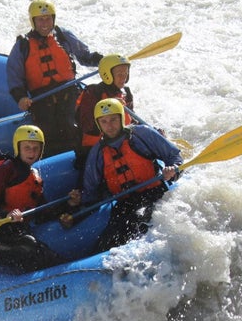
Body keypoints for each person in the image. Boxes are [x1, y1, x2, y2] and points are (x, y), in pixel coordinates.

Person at [64, 98, 182, 253]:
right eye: (104, 121)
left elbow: (175, 157)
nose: (109, 126)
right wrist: (79, 199)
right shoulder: (97, 152)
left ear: (121, 118)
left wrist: (172, 170)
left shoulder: (142, 134)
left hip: (153, 195)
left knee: (137, 220)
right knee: (109, 240)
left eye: (113, 120)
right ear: (99, 124)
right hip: (124, 204)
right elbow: (91, 191)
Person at [6, 0, 103, 156]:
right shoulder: (22, 46)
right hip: (42, 100)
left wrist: (102, 61)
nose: (45, 23)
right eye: (40, 19)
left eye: (48, 19)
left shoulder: (63, 36)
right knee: (49, 135)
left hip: (69, 93)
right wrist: (21, 97)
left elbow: (85, 56)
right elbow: (14, 75)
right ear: (33, 21)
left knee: (73, 128)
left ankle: (82, 158)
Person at [0, 125, 65, 272]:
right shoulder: (5, 169)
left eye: (36, 148)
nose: (32, 152)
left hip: (17, 232)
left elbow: (42, 211)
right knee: (29, 245)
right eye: (27, 147)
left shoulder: (33, 175)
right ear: (18, 148)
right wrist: (5, 215)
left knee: (33, 247)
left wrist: (68, 207)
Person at [74, 54, 135, 174]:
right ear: (107, 75)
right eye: (119, 74)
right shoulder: (92, 93)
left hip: (121, 144)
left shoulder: (126, 93)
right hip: (95, 148)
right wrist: (109, 106)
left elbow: (132, 123)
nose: (123, 77)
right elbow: (86, 125)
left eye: (126, 73)